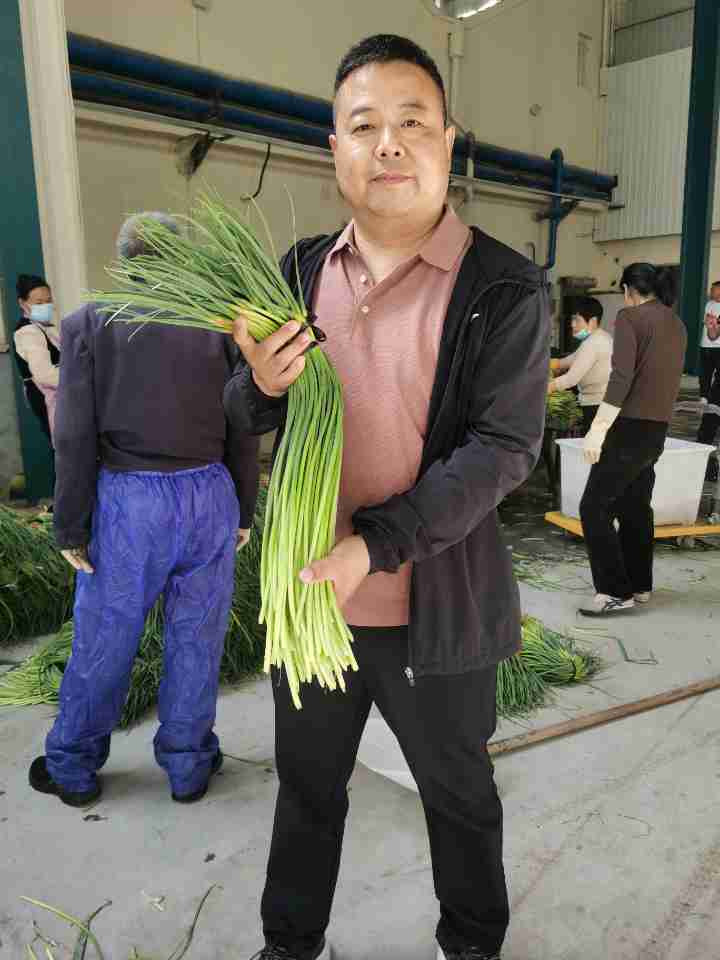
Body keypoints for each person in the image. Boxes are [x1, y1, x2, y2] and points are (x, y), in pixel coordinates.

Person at [225, 34, 549, 960]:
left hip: (433, 608)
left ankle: (472, 943)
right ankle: (290, 943)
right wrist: (260, 387)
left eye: (412, 121)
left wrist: (373, 544)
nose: (389, 143)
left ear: (448, 139)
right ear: (335, 148)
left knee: (458, 793)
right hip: (311, 604)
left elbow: (502, 451)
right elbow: (238, 408)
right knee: (307, 786)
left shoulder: (504, 287)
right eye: (364, 125)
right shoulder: (296, 271)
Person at [28, 212, 260, 808]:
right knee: (197, 635)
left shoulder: (90, 324)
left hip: (132, 503)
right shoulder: (220, 327)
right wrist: (242, 508)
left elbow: (73, 435)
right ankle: (188, 765)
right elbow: (242, 425)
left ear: (125, 260)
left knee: (106, 633)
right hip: (209, 495)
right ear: (184, 261)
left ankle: (73, 765)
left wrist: (71, 524)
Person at [579, 263, 686, 617]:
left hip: (628, 428)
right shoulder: (677, 324)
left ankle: (614, 590)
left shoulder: (630, 318)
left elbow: (622, 376)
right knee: (635, 506)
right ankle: (639, 584)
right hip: (657, 430)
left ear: (628, 290)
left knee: (594, 507)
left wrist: (598, 428)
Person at [548, 296, 612, 434]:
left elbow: (571, 379)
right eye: (572, 319)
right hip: (601, 404)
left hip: (596, 406)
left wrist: (545, 388)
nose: (572, 325)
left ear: (592, 321)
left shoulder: (593, 344)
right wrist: (551, 364)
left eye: (577, 320)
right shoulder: (600, 337)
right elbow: (572, 360)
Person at [13, 274, 60, 442]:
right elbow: (45, 375)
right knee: (64, 447)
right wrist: (80, 378)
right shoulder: (28, 332)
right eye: (39, 303)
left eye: (48, 301)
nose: (46, 306)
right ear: (22, 303)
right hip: (47, 397)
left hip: (60, 397)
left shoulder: (45, 327)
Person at [698, 281, 720, 403]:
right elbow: (706, 322)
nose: (710, 292)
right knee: (705, 373)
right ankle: (704, 397)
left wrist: (713, 325)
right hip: (705, 345)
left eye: (713, 289)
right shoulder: (709, 304)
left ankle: (715, 400)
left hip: (718, 346)